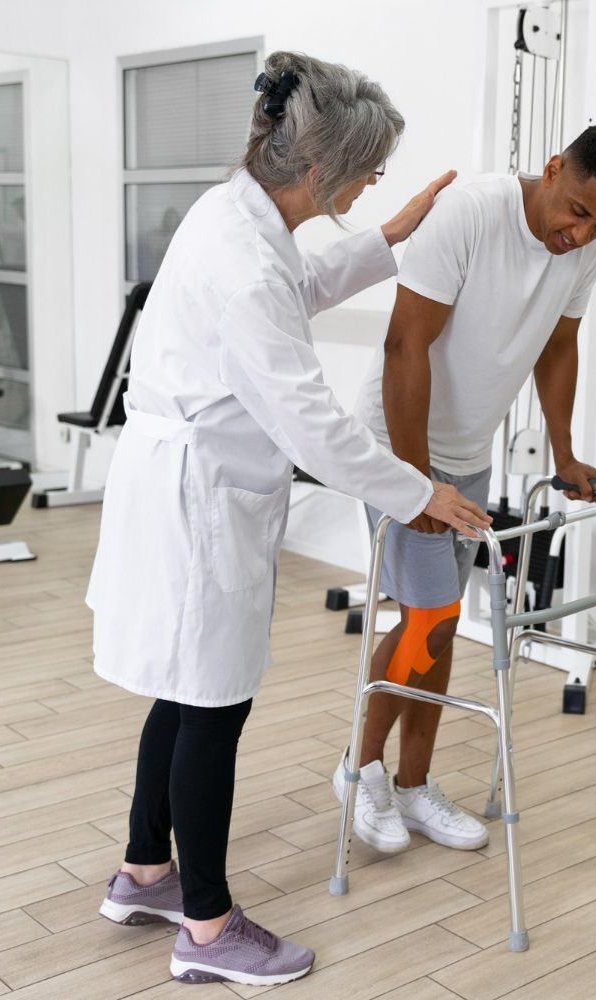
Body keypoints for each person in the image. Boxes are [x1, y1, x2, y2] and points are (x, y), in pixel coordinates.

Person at [86, 51, 491, 988]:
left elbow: (292, 289)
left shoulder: (236, 212)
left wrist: (387, 234)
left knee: (182, 690)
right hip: (200, 497)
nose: (372, 181)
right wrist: (418, 490)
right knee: (214, 706)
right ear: (319, 171)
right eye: (368, 169)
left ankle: (147, 871)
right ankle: (208, 927)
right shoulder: (244, 259)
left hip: (186, 478)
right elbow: (311, 419)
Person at [333, 124, 596, 854]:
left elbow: (559, 344)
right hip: (395, 444)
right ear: (552, 167)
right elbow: (403, 345)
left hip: (468, 454)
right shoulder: (470, 213)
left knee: (440, 624)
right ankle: (359, 769)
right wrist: (417, 484)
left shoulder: (589, 242)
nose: (582, 233)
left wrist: (564, 452)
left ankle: (412, 786)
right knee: (427, 617)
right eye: (576, 210)